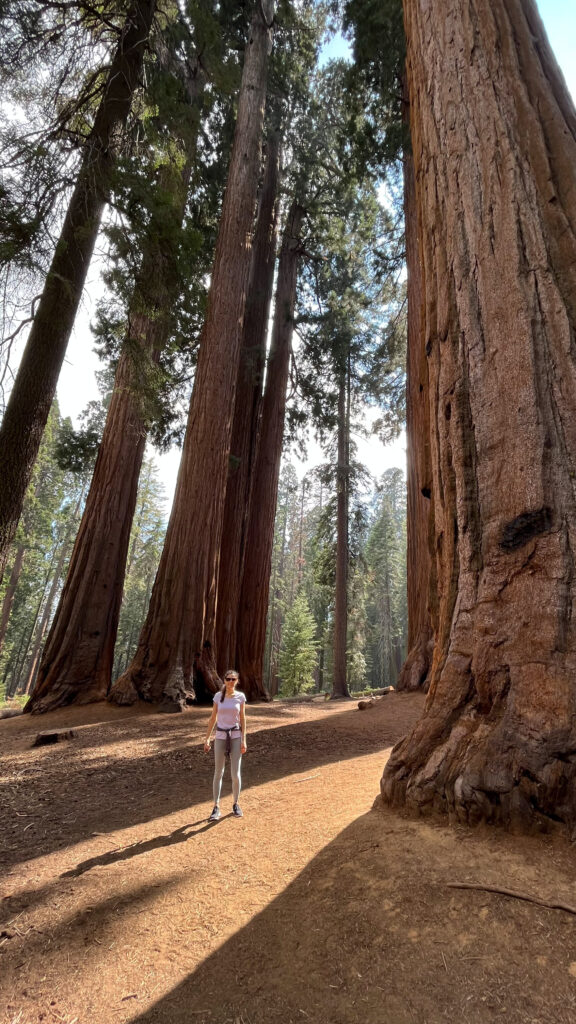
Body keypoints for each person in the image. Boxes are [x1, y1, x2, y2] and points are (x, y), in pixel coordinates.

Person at [203, 670, 247, 821]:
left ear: (237, 681)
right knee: (218, 772)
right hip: (221, 736)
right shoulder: (218, 696)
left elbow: (242, 719)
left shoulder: (240, 697)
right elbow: (213, 718)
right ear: (224, 680)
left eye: (233, 679)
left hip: (235, 736)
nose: (230, 681)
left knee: (235, 773)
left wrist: (243, 739)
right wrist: (207, 738)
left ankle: (236, 803)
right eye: (228, 679)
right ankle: (216, 807)